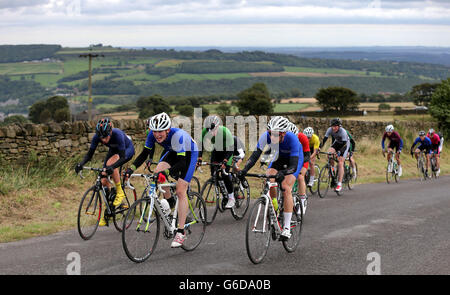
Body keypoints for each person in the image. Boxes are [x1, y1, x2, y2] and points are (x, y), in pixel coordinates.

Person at [125, 112, 198, 248]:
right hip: (172, 152)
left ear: (167, 130)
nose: (157, 135)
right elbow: (144, 154)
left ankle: (181, 232)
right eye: (155, 132)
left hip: (188, 154)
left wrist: (168, 172)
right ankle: (171, 206)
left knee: (181, 190)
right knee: (157, 173)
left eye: (161, 132)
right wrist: (131, 169)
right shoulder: (152, 135)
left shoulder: (177, 136)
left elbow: (181, 163)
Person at [238, 116, 303, 240]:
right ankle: (275, 208)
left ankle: (287, 228)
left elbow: (294, 166)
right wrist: (244, 170)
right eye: (270, 134)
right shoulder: (266, 136)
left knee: (285, 187)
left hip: (293, 160)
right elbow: (255, 156)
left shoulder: (292, 139)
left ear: (283, 133)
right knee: (269, 178)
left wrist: (284, 172)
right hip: (278, 158)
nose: (272, 137)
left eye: (276, 135)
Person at [75, 118, 135, 226]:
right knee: (103, 180)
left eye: (106, 137)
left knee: (110, 165)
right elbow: (89, 154)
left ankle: (120, 191)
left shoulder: (118, 134)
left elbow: (122, 157)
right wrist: (81, 164)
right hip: (113, 150)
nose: (104, 140)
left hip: (126, 151)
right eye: (101, 138)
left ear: (110, 132)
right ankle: (108, 212)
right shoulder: (98, 137)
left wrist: (112, 167)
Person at [197, 115, 236, 209]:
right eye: (208, 130)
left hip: (227, 151)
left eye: (213, 129)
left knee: (224, 174)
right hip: (216, 150)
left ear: (218, 126)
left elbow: (231, 149)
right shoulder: (205, 131)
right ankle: (223, 193)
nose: (210, 132)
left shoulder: (225, 132)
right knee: (214, 174)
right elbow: (200, 144)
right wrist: (199, 158)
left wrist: (225, 161)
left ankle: (231, 197)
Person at [319, 118, 350, 192]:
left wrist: (338, 152)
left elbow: (344, 144)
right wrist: (320, 148)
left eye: (335, 126)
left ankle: (339, 184)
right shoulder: (329, 129)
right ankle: (333, 170)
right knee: (329, 153)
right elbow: (324, 139)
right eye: (332, 126)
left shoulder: (343, 132)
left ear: (339, 126)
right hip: (337, 143)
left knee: (340, 162)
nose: (333, 128)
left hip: (345, 145)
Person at [288, 122, 309, 215]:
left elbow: (307, 156)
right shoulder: (284, 139)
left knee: (300, 176)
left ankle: (302, 199)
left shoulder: (303, 137)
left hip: (302, 158)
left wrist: (298, 165)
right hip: (290, 157)